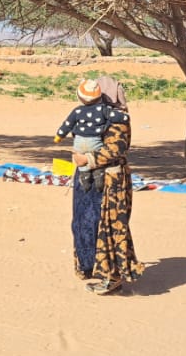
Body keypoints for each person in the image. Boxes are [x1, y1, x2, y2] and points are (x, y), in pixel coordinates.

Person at [58, 76, 142, 295]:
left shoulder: (118, 119)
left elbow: (117, 149)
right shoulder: (89, 114)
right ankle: (88, 266)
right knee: (82, 222)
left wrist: (88, 159)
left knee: (108, 229)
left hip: (110, 183)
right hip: (86, 178)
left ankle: (112, 277)